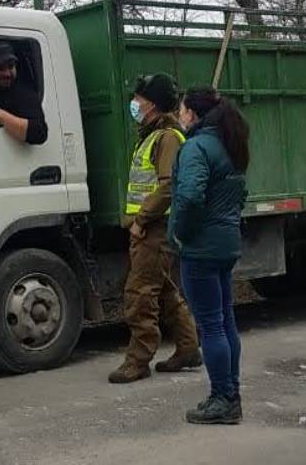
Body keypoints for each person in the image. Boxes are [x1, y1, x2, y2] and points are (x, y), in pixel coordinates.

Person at [108, 73, 201, 384]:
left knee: (140, 294)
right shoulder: (151, 135)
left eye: (140, 99)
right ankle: (188, 348)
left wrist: (141, 220)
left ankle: (138, 360)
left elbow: (167, 187)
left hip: (154, 228)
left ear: (154, 104)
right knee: (163, 292)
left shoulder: (168, 138)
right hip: (150, 227)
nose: (135, 103)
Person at [170, 86, 250, 425]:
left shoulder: (196, 148)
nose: (179, 115)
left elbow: (189, 197)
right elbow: (239, 194)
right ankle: (230, 393)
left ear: (193, 114)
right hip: (226, 244)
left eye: (182, 109)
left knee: (211, 326)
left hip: (200, 248)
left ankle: (223, 399)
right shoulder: (230, 144)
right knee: (225, 321)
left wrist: (180, 234)